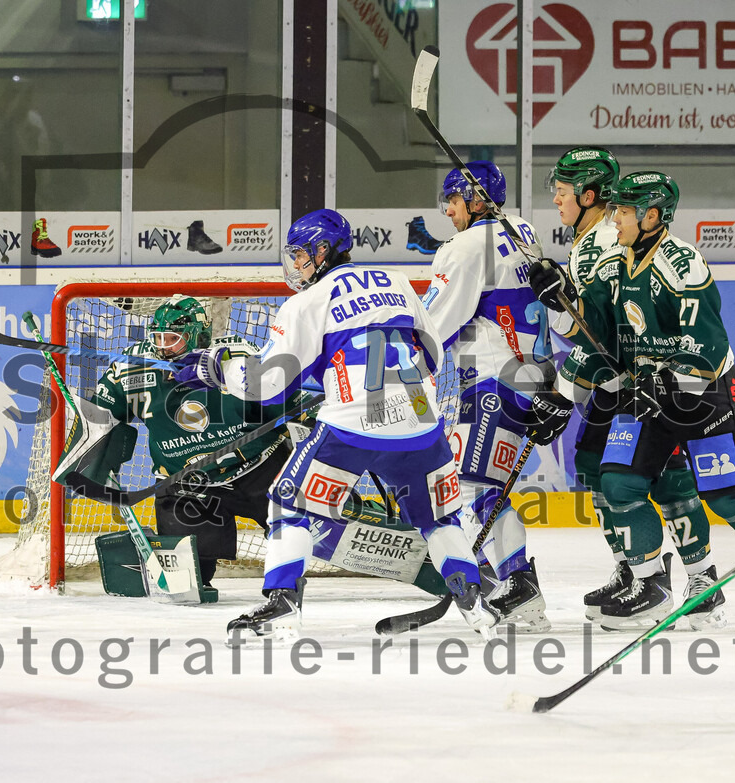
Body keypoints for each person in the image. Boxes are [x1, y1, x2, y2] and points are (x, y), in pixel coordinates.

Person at [174, 208, 501, 640]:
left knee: (289, 503)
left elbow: (268, 385)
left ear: (323, 250)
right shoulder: (397, 282)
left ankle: (282, 604)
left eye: (301, 255)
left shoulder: (307, 302)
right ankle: (475, 603)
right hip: (421, 423)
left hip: (352, 427)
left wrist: (219, 367)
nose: (296, 264)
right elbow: (432, 353)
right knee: (439, 519)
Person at [531, 171, 735, 630]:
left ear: (653, 216)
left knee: (728, 498)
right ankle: (650, 587)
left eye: (626, 211)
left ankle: (710, 575)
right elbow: (595, 330)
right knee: (617, 483)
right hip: (646, 393)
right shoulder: (615, 261)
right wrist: (561, 297)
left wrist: (666, 379)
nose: (615, 219)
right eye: (615, 210)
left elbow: (709, 350)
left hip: (701, 395)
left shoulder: (681, 264)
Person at [62, 295, 295, 587]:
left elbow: (279, 395)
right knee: (189, 580)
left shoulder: (235, 355)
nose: (163, 347)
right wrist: (89, 450)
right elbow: (102, 414)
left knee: (306, 532)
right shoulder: (131, 365)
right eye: (158, 338)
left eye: (172, 339)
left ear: (198, 335)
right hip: (187, 484)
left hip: (259, 467)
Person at [421, 160, 552, 632]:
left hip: (495, 380)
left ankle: (517, 586)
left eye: (455, 202)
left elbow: (435, 324)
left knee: (475, 488)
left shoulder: (464, 247)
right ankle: (510, 585)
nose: (450, 213)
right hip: (533, 376)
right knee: (484, 487)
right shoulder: (521, 230)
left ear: (476, 200)